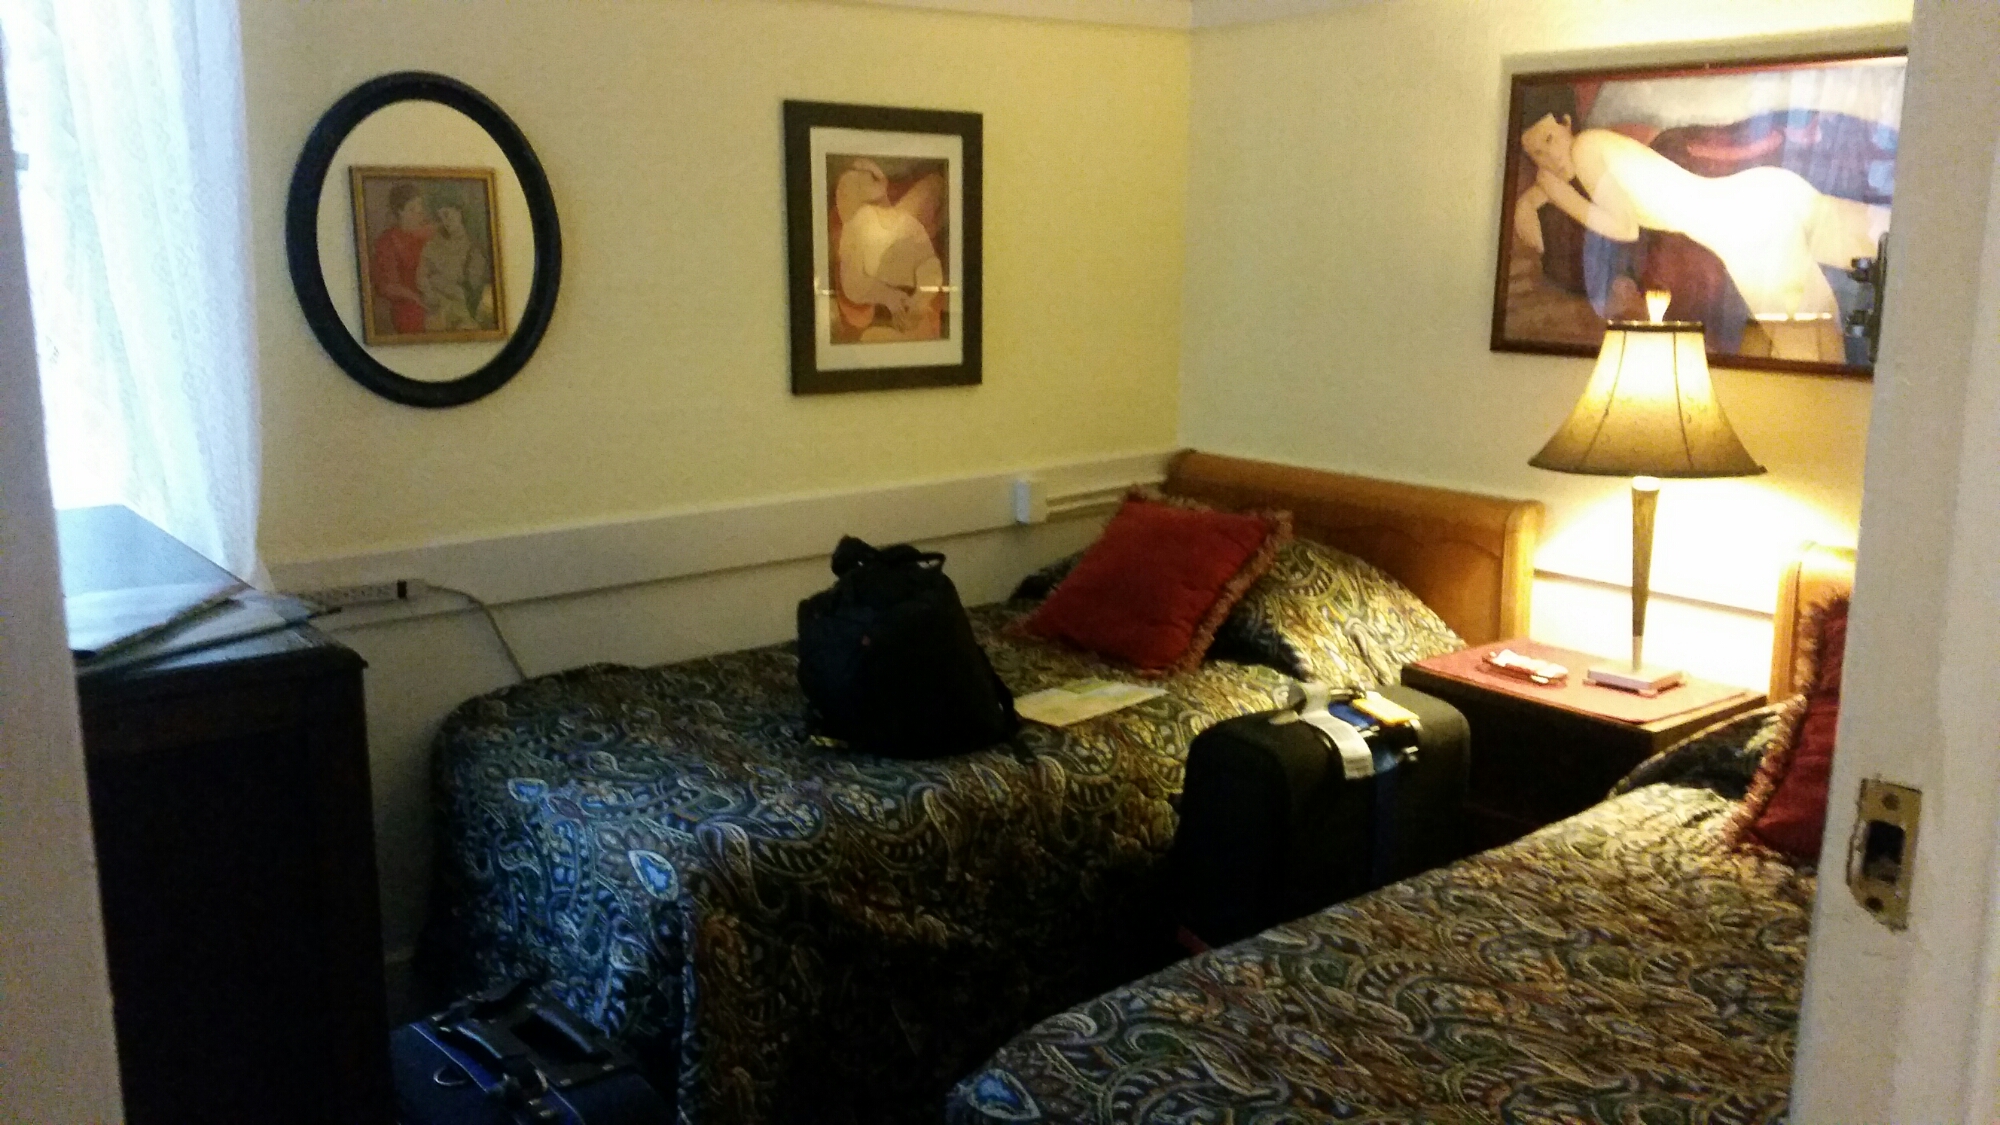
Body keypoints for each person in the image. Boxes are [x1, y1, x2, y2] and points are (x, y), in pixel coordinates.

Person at [1513, 111, 1889, 356]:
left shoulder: (1585, 149)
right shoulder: (1599, 143)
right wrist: (1534, 196)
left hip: (1746, 231)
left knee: (1807, 357)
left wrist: (1559, 195)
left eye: (1549, 139)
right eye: (1536, 153)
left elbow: (1623, 228)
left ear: (1566, 124)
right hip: (1762, 194)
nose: (1548, 156)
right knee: (1882, 242)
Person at [831, 158, 947, 342]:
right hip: (880, 314)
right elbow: (853, 285)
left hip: (914, 315)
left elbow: (930, 266)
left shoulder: (908, 224)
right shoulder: (855, 229)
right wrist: (890, 297)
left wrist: (919, 300)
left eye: (860, 183)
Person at [417, 203, 492, 332]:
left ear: (459, 213)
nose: (444, 222)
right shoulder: (432, 246)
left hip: (463, 303)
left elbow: (474, 285)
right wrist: (430, 293)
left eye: (447, 215)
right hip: (437, 305)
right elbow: (421, 276)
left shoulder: (473, 248)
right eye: (440, 218)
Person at [370, 184, 433, 336]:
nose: (419, 213)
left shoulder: (430, 234)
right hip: (407, 302)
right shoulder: (388, 241)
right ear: (400, 212)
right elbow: (387, 286)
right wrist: (417, 299)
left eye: (420, 207)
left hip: (437, 294)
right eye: (412, 209)